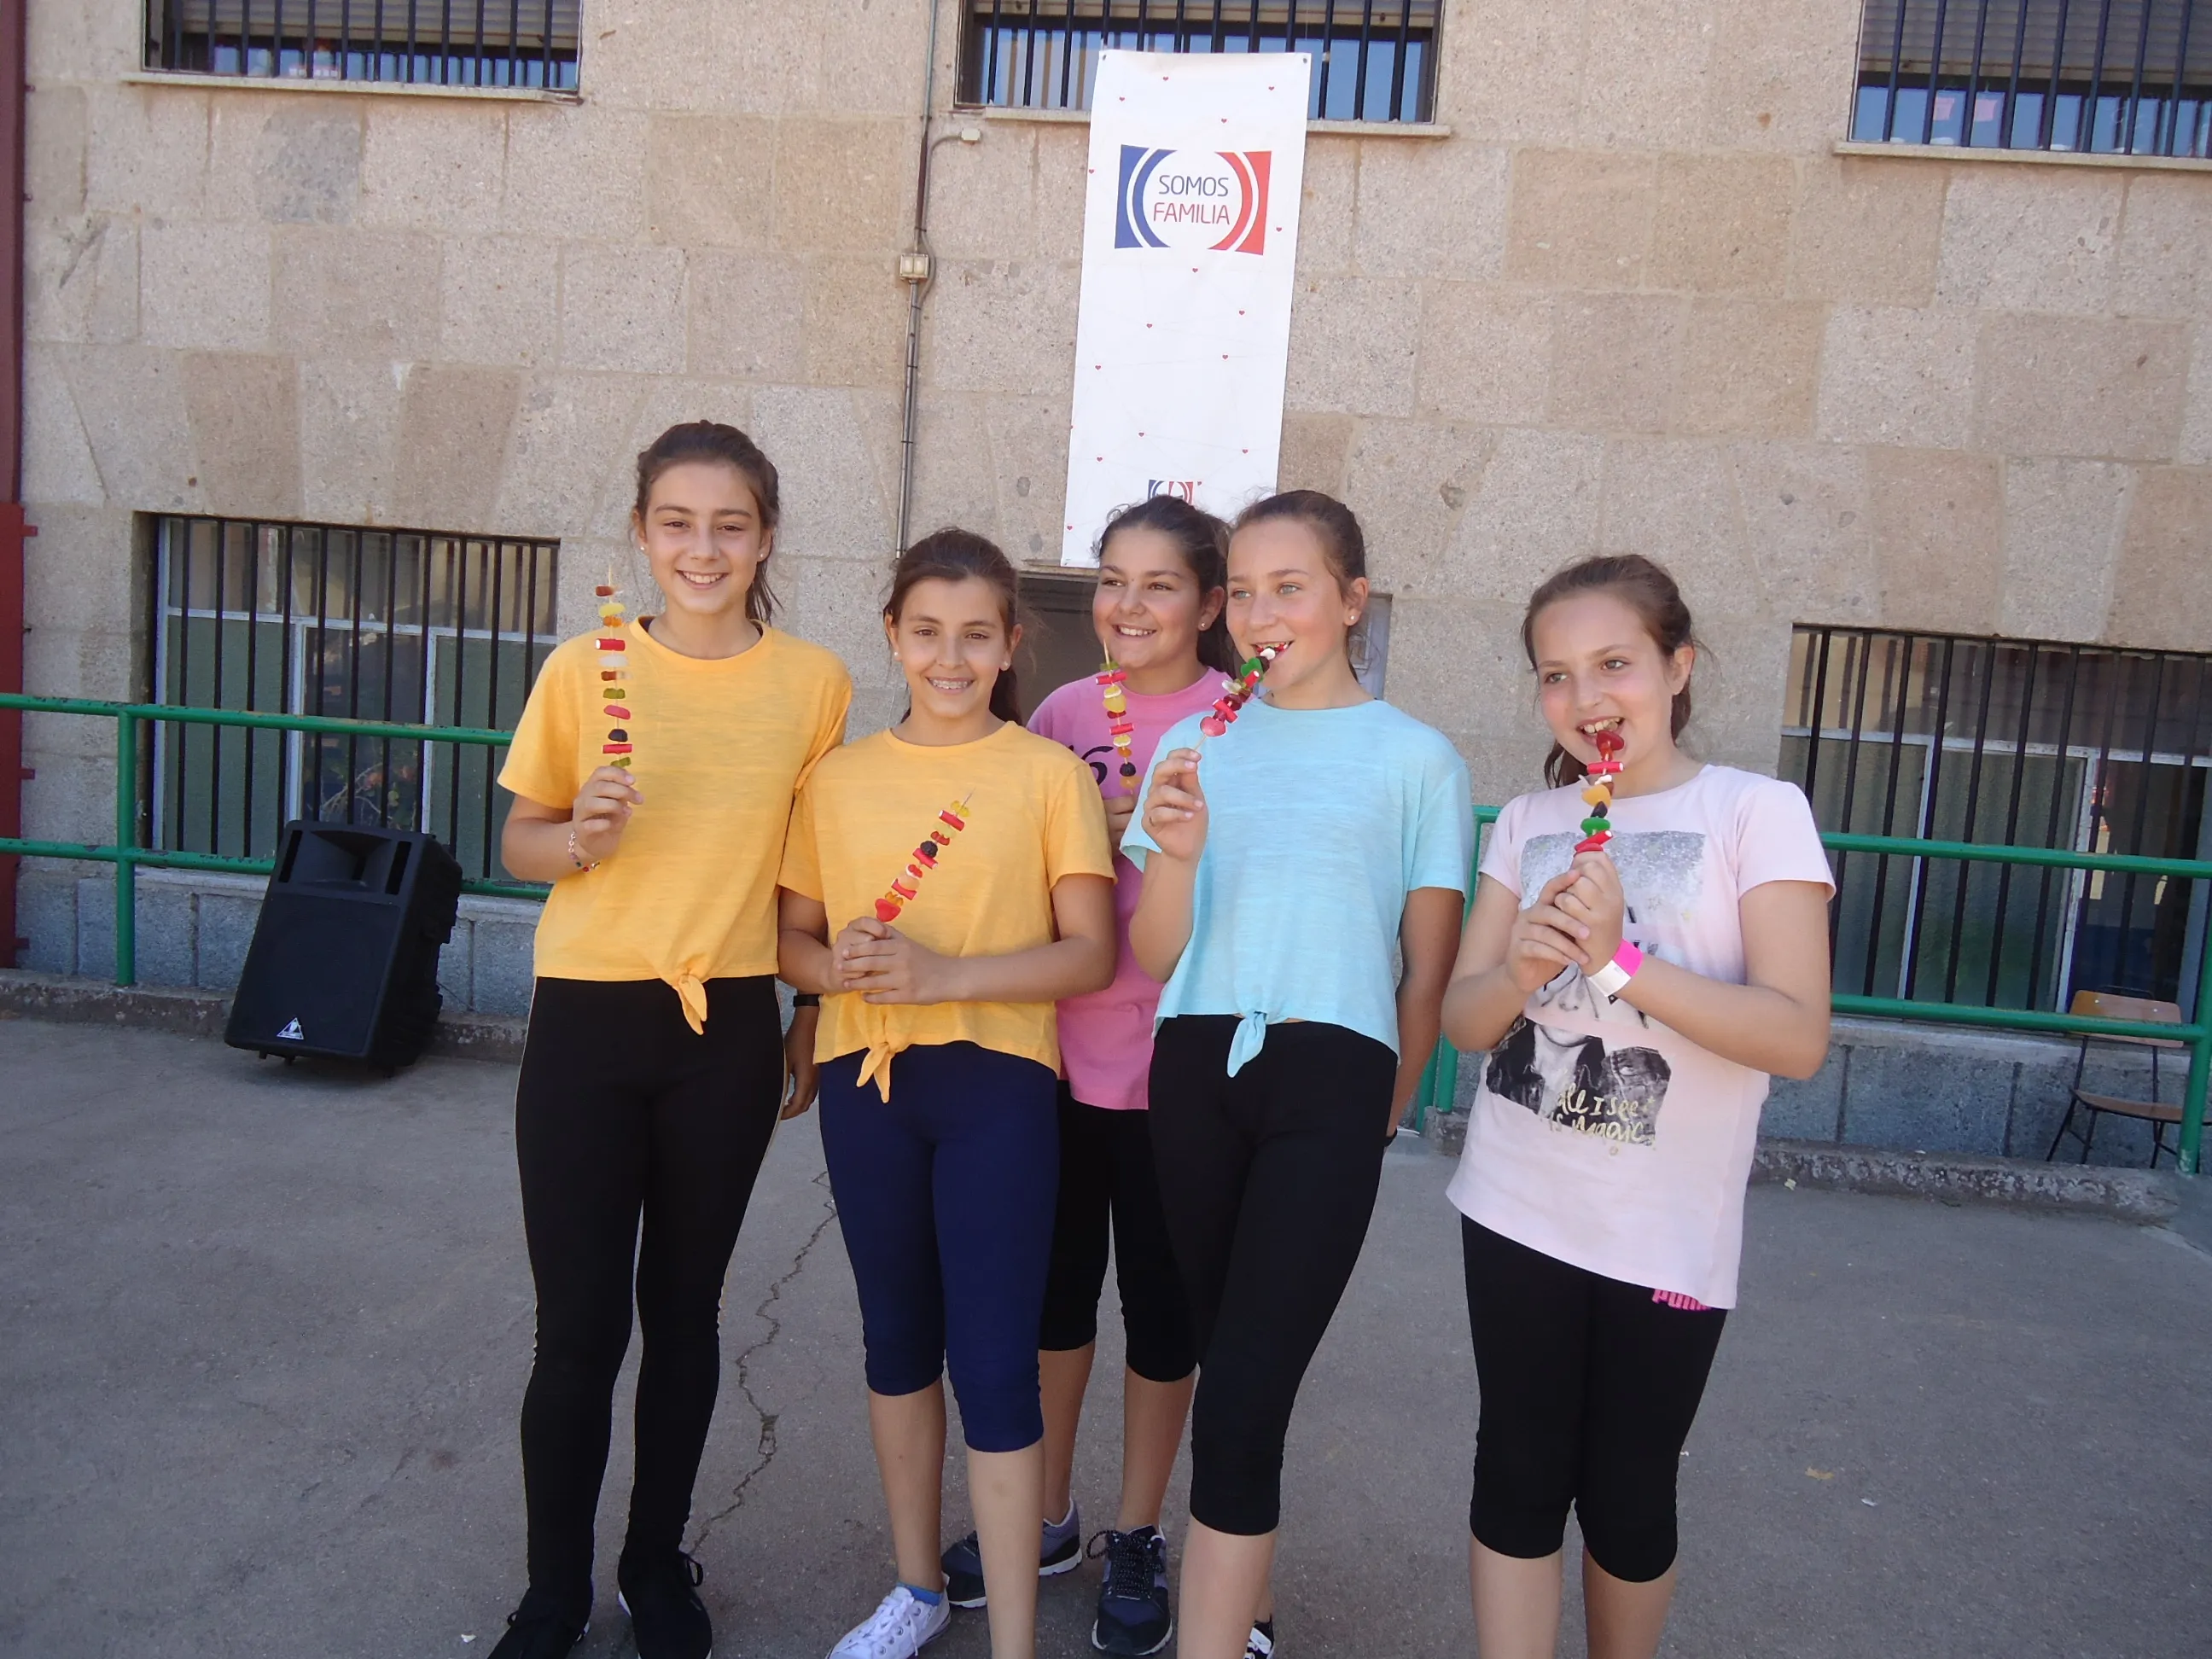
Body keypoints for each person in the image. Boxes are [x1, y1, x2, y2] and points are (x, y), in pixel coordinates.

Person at [487, 422, 853, 1659]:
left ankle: (655, 1563)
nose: (704, 548)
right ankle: (553, 1591)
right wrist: (578, 838)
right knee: (577, 1330)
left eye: (730, 524)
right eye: (678, 523)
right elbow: (518, 843)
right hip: (588, 1023)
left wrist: (813, 1012)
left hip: (727, 1030)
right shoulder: (581, 669)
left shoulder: (814, 685)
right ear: (642, 535)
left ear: (766, 538)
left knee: (686, 1314)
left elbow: (809, 884)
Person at [1439, 553, 1834, 1659]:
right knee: (1515, 1474)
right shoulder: (1528, 820)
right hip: (1515, 1205)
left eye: (1614, 664)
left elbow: (1796, 1035)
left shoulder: (1756, 812)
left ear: (1678, 666)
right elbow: (1466, 1020)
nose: (1587, 698)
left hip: (1665, 1230)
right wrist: (1520, 970)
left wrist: (1619, 961)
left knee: (1627, 1492)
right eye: (1556, 675)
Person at [1124, 490, 1472, 1659]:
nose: (1264, 615)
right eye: (1246, 591)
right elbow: (1155, 954)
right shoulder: (1194, 742)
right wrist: (1178, 853)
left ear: (1352, 599)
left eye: (1293, 588)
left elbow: (1426, 969)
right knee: (1228, 1360)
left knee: (1243, 1393)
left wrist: (1389, 1107)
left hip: (1334, 1074)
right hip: (1195, 1061)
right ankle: (1249, 1609)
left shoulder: (1417, 758)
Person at [776, 528, 1119, 1659]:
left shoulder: (1047, 774)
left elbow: (1090, 953)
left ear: (1012, 642)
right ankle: (917, 1590)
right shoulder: (836, 779)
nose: (951, 657)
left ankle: (1013, 1638)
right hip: (867, 1085)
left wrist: (944, 976)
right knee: (895, 1342)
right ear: (893, 636)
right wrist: (837, 972)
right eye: (927, 632)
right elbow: (792, 937)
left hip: (999, 1090)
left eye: (976, 635)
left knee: (994, 1361)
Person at [938, 496, 1237, 1656]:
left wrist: (1164, 844)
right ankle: (1049, 1513)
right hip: (1054, 1064)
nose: (1129, 605)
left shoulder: (1243, 718)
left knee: (1163, 1318)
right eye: (1113, 580)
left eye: (1160, 584)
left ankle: (1137, 1531)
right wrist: (1078, 835)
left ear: (1209, 605)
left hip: (1183, 1073)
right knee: (1052, 1306)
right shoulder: (1064, 713)